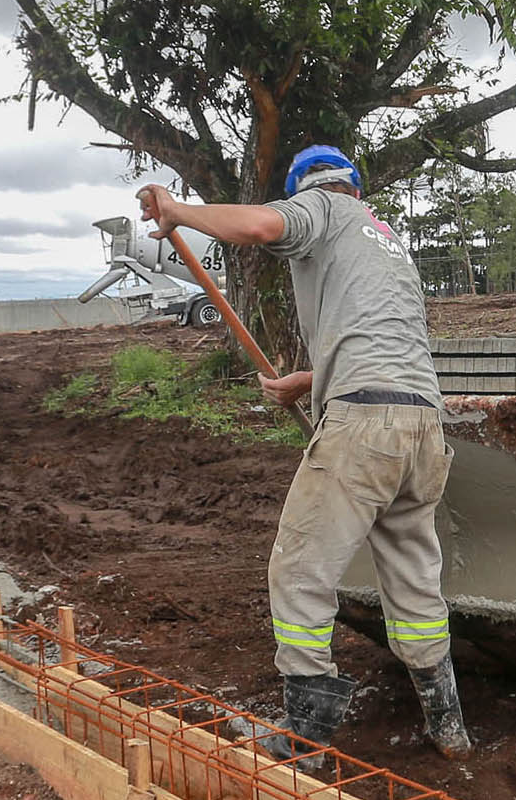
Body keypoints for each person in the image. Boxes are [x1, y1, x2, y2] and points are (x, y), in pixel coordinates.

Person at [137, 146, 470, 763]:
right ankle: (448, 727)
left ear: (307, 190)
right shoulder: (388, 244)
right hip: (423, 425)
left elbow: (263, 227)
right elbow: (379, 344)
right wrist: (304, 382)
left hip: (363, 427)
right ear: (358, 186)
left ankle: (305, 742)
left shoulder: (322, 208)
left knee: (298, 573)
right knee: (415, 581)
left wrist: (180, 211)